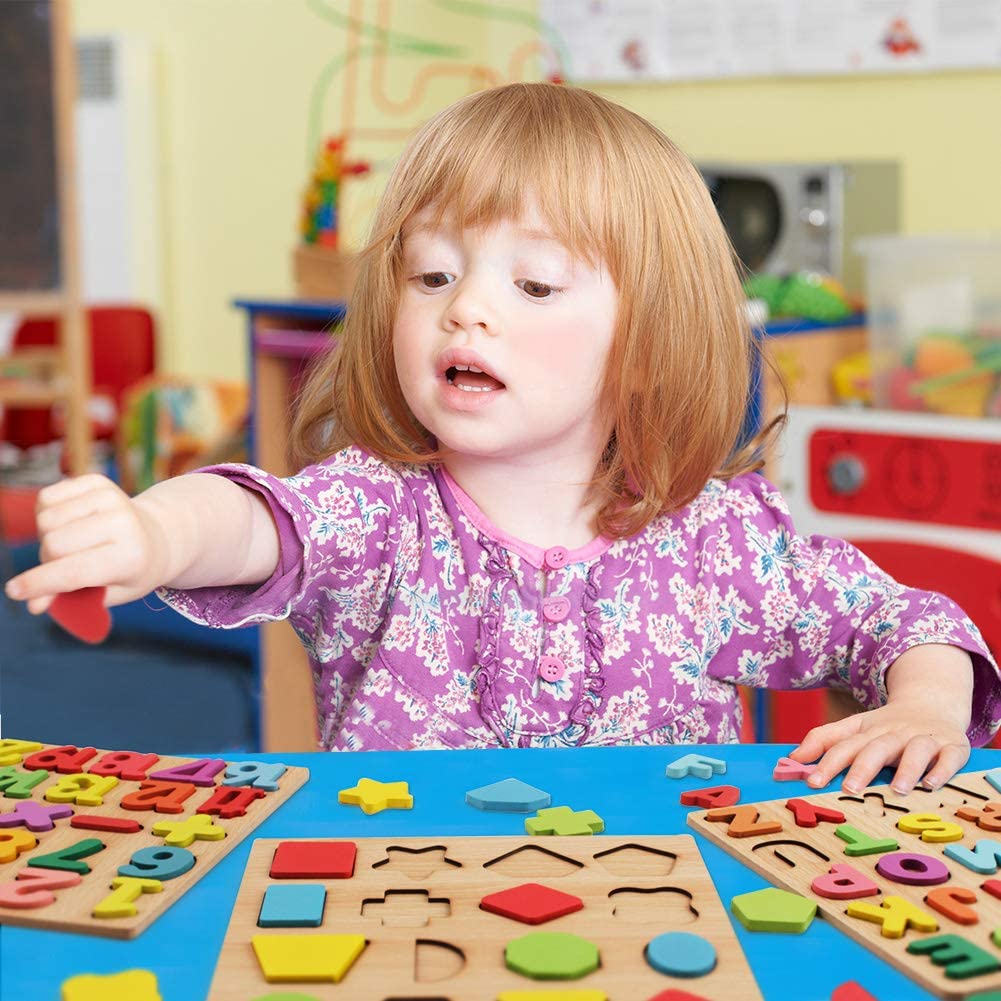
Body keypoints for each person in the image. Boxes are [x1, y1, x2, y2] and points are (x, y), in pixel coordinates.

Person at [6, 83, 999, 794]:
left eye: (532, 285)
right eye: (432, 275)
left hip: (657, 926)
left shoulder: (712, 541)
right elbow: (249, 517)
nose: (465, 308)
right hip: (397, 912)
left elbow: (908, 620)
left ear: (648, 343)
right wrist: (151, 536)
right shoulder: (377, 506)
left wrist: (921, 706)